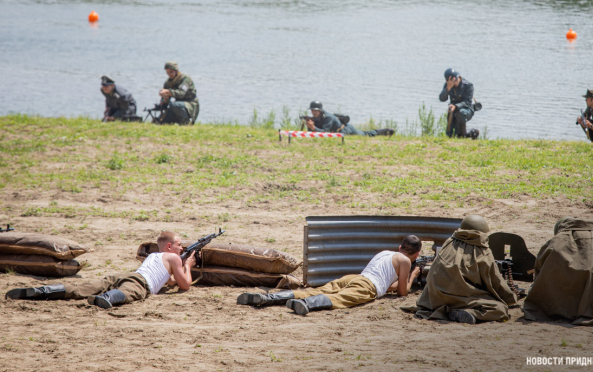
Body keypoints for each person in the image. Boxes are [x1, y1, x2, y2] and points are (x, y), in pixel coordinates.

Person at [5, 231, 196, 309]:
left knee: (83, 288)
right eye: (179, 245)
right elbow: (185, 285)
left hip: (127, 275)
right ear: (169, 246)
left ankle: (44, 291)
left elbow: (169, 280)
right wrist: (187, 265)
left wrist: (176, 274)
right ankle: (107, 298)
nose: (182, 248)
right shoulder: (173, 258)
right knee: (127, 293)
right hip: (140, 282)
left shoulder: (154, 256)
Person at [237, 235, 423, 315]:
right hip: (368, 286)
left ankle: (268, 298)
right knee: (339, 299)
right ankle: (306, 304)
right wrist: (413, 275)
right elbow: (402, 292)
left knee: (316, 290)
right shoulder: (405, 261)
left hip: (354, 278)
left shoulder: (386, 253)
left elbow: (386, 283)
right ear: (416, 254)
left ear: (400, 247)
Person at [415, 215, 517, 324]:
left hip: (434, 298)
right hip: (459, 298)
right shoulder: (483, 251)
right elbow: (494, 281)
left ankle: (451, 311)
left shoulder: (448, 242)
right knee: (500, 309)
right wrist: (510, 297)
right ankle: (467, 312)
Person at [303, 101, 394, 137]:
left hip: (346, 129)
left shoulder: (328, 118)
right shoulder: (318, 117)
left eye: (316, 110)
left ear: (320, 110)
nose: (314, 112)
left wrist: (313, 127)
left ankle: (385, 131)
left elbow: (325, 133)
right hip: (341, 130)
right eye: (312, 110)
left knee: (366, 134)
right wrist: (310, 125)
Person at [439, 68, 479, 139]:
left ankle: (462, 136)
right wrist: (448, 88)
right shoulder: (448, 85)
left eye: (456, 80)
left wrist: (456, 106)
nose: (455, 83)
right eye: (452, 81)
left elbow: (467, 102)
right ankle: (472, 132)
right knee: (450, 135)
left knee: (461, 113)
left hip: (467, 109)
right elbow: (442, 99)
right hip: (453, 110)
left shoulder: (468, 85)